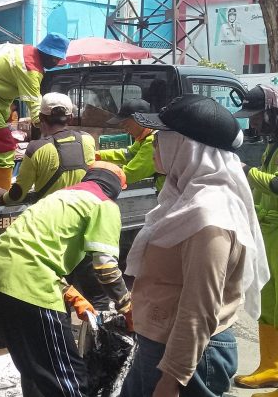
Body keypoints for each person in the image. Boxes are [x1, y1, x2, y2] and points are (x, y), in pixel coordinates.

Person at [120, 95, 270, 397]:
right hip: (165, 345)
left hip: (190, 358)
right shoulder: (182, 200)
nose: (155, 143)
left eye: (163, 136)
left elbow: (199, 306)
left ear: (186, 146)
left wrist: (172, 378)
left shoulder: (208, 214)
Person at [0, 162, 133, 397]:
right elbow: (106, 267)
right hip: (31, 285)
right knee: (68, 377)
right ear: (116, 188)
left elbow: (33, 249)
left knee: (33, 366)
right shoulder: (104, 204)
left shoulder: (59, 197)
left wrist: (68, 291)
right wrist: (128, 308)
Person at [0, 32, 70, 195]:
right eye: (55, 58)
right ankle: (1, 195)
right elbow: (35, 108)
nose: (56, 62)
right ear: (46, 53)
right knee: (4, 146)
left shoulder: (26, 50)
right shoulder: (31, 69)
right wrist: (53, 128)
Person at [232, 85, 278, 394]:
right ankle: (271, 366)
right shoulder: (272, 143)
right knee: (270, 301)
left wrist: (247, 172)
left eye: (257, 117)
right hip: (269, 230)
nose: (252, 124)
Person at [0, 92, 94, 205]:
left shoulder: (36, 149)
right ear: (70, 118)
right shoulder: (87, 140)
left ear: (41, 117)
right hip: (81, 214)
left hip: (51, 219)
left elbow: (17, 195)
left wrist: (2, 196)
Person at [97, 98, 163, 190]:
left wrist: (98, 174)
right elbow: (129, 154)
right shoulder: (145, 136)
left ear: (140, 120)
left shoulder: (153, 142)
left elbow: (131, 174)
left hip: (173, 195)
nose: (126, 131)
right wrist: (98, 155)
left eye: (127, 125)